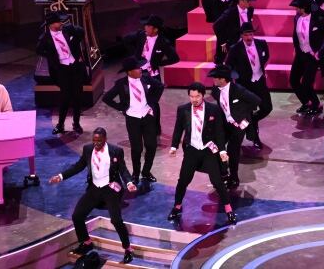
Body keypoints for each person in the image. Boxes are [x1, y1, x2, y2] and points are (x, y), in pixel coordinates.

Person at [48, 127, 136, 264]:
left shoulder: (115, 151)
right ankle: (87, 242)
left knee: (116, 220)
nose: (96, 143)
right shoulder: (88, 149)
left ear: (105, 139)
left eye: (99, 141)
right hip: (94, 188)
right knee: (77, 216)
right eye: (94, 140)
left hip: (110, 189)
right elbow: (78, 166)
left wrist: (129, 182)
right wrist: (61, 176)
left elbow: (122, 169)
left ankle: (128, 249)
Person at [168, 83, 236, 224]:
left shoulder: (214, 109)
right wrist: (174, 146)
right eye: (191, 96)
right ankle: (177, 206)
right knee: (183, 181)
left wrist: (222, 150)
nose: (194, 99)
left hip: (208, 150)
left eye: (197, 96)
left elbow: (219, 131)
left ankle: (229, 210)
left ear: (203, 95)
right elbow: (178, 129)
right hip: (192, 150)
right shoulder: (183, 109)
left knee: (218, 182)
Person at [102, 56, 164, 184]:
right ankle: (135, 174)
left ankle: (146, 172)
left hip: (147, 117)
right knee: (137, 148)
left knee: (151, 146)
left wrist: (152, 103)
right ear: (129, 71)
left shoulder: (146, 77)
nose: (140, 69)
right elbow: (107, 98)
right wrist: (121, 108)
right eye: (137, 68)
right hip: (132, 119)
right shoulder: (121, 84)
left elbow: (159, 86)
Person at [208, 65, 261, 189]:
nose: (213, 80)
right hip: (225, 123)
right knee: (216, 146)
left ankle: (234, 177)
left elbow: (256, 101)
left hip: (239, 125)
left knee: (233, 150)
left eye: (215, 78)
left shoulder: (238, 90)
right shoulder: (216, 90)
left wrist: (242, 114)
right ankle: (223, 172)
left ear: (223, 79)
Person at [36, 11, 86, 135]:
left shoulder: (67, 30)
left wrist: (72, 27)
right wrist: (53, 57)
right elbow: (39, 50)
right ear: (52, 25)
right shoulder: (45, 38)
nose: (61, 23)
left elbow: (81, 32)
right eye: (58, 21)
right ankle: (60, 124)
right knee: (65, 98)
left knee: (77, 97)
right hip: (62, 70)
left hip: (74, 66)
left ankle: (76, 123)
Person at [224, 23, 272, 149]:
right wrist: (235, 78)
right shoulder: (235, 48)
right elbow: (228, 65)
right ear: (242, 35)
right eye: (246, 35)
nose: (249, 37)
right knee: (248, 112)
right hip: (245, 85)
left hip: (260, 81)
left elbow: (266, 56)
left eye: (251, 34)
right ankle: (254, 138)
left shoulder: (262, 43)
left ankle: (253, 120)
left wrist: (261, 71)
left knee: (267, 107)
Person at [289, 0, 324, 115]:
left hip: (312, 56)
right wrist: (296, 49)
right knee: (293, 80)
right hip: (300, 53)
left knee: (307, 83)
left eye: (298, 8)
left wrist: (320, 51)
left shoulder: (318, 19)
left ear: (304, 8)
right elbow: (295, 35)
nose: (296, 10)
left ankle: (316, 104)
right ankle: (306, 102)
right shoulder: (297, 18)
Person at [123, 15, 179, 82]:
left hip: (153, 74)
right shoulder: (141, 34)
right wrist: (134, 55)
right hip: (138, 71)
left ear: (155, 29)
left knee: (155, 89)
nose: (145, 28)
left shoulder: (163, 42)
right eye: (145, 25)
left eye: (148, 26)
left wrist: (158, 63)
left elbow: (175, 58)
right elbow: (126, 39)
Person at [213, 0, 257, 64]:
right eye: (248, 0)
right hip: (231, 41)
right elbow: (216, 25)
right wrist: (223, 42)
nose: (250, 2)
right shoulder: (230, 12)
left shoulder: (250, 10)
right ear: (241, 1)